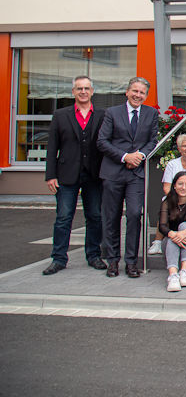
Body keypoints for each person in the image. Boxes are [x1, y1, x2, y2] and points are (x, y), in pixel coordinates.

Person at [43, 75, 106, 275]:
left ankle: (94, 255)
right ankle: (59, 258)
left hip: (94, 175)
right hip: (66, 174)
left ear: (92, 91)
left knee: (95, 216)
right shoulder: (61, 115)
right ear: (73, 92)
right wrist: (50, 175)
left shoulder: (102, 115)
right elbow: (52, 147)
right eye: (79, 88)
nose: (83, 92)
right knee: (63, 217)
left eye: (86, 88)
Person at [97, 77, 159, 279]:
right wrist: (125, 157)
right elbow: (102, 141)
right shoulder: (112, 113)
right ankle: (113, 260)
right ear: (127, 91)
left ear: (146, 96)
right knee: (112, 217)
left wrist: (139, 156)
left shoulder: (151, 113)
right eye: (135, 91)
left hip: (136, 174)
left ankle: (131, 261)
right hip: (113, 172)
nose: (137, 95)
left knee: (134, 215)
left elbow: (153, 140)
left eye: (142, 93)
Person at [147, 133, 186, 256]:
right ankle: (158, 241)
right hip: (175, 196)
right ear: (179, 149)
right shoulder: (172, 164)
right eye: (184, 146)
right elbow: (167, 187)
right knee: (166, 202)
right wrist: (178, 197)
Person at [158, 171, 186, 292]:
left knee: (184, 226)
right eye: (180, 184)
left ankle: (184, 270)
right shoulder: (167, 202)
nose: (184, 187)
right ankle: (173, 275)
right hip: (172, 242)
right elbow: (162, 226)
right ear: (174, 185)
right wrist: (173, 234)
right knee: (172, 235)